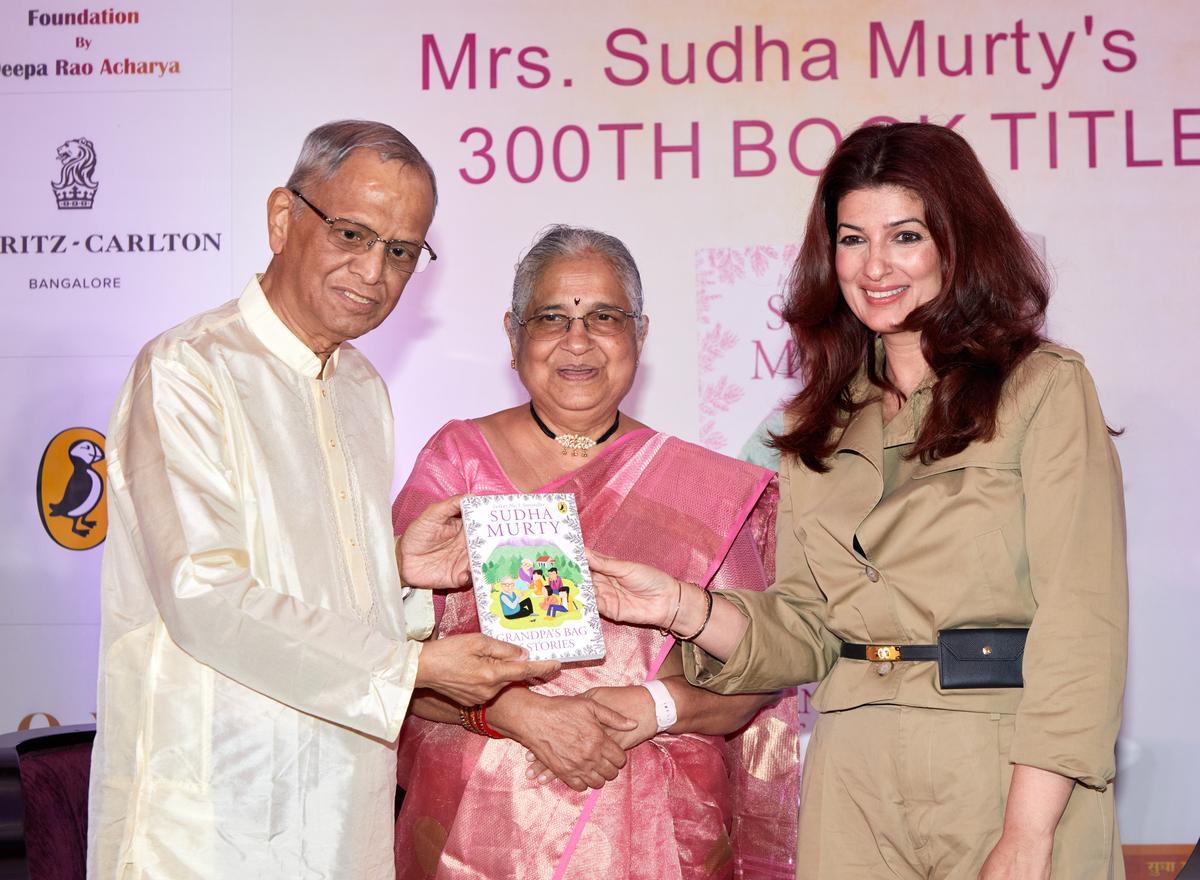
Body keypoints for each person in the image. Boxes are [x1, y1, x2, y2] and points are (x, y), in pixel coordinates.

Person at [588, 123, 1128, 880]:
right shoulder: (818, 422)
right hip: (851, 781)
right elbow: (807, 627)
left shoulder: (1044, 388)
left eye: (905, 236)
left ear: (957, 241)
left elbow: (1083, 628)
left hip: (1004, 767)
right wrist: (681, 606)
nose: (875, 266)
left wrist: (1029, 833)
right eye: (851, 239)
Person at [87, 120, 557, 880]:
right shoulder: (187, 370)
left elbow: (316, 587)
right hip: (211, 818)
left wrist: (398, 576)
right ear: (282, 219)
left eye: (401, 251)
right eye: (351, 233)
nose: (373, 271)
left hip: (341, 808)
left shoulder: (362, 388)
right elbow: (205, 595)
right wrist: (417, 670)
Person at [390, 225, 801, 879]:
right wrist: (519, 713)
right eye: (551, 317)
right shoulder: (457, 464)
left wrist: (653, 707)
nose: (576, 341)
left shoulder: (702, 485)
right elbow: (389, 662)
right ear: (513, 333)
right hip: (483, 832)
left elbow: (758, 672)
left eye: (603, 318)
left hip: (663, 833)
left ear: (639, 334)